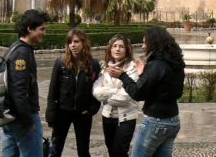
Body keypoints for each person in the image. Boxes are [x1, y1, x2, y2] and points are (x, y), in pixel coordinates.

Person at [108, 26, 185, 157]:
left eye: (145, 42)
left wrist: (123, 76)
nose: (143, 46)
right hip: (173, 121)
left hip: (156, 122)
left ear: (154, 43)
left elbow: (137, 93)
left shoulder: (156, 65)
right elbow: (171, 90)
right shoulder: (175, 64)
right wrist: (144, 74)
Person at [45, 29, 101, 157]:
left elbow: (98, 88)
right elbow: (52, 91)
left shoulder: (94, 64)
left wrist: (93, 108)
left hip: (83, 113)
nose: (72, 45)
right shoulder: (61, 63)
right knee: (55, 150)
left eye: (76, 42)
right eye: (70, 42)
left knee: (83, 151)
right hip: (62, 113)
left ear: (84, 43)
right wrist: (51, 116)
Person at [1, 9, 47, 157]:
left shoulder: (15, 47)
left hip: (10, 117)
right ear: (30, 28)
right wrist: (29, 122)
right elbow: (19, 91)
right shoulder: (21, 52)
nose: (44, 33)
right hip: (21, 118)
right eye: (42, 29)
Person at [93, 34, 139, 157]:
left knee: (120, 152)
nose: (117, 49)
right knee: (111, 151)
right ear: (110, 49)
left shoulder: (132, 68)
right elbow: (96, 92)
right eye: (114, 46)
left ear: (127, 50)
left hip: (126, 117)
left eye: (121, 46)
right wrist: (115, 91)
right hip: (107, 116)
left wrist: (106, 94)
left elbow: (126, 97)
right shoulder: (104, 67)